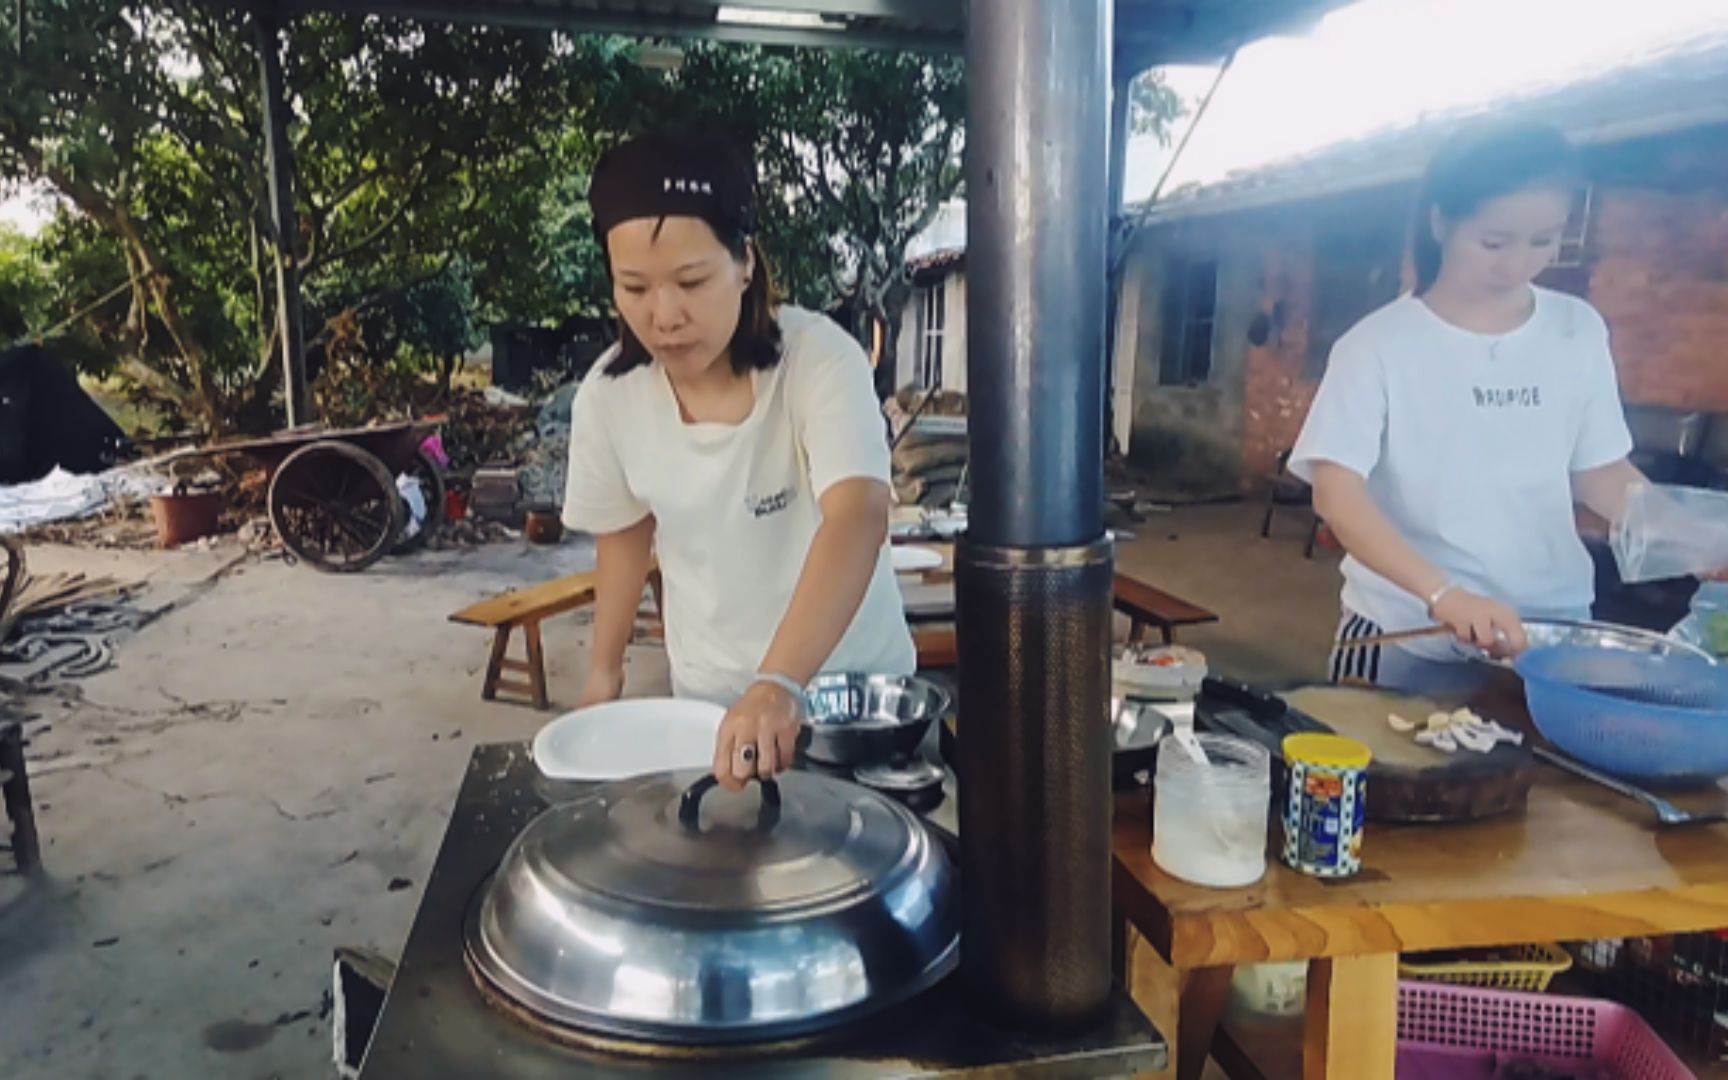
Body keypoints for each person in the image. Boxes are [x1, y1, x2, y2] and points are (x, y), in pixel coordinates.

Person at [562, 135, 916, 790]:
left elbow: (857, 517)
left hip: (855, 705)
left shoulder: (820, 361)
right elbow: (626, 530)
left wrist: (779, 683)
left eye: (691, 281)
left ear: (745, 263)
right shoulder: (609, 398)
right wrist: (602, 677)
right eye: (634, 287)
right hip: (711, 711)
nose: (664, 315)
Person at [1291, 121, 1648, 695]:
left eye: (1543, 240)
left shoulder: (1576, 330)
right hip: (1408, 633)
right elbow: (1337, 494)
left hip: (1549, 638)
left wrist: (1687, 535)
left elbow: (1600, 472)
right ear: (1440, 223)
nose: (1518, 265)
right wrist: (1443, 594)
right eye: (1494, 242)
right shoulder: (1378, 345)